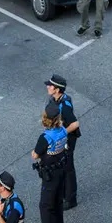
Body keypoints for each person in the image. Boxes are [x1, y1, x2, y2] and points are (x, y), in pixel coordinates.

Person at [31, 102, 68, 223]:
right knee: (57, 201)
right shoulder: (64, 131)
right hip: (61, 170)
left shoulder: (46, 137)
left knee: (45, 206)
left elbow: (35, 155)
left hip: (50, 175)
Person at [45, 75, 80, 210]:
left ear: (58, 89)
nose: (48, 87)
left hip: (67, 139)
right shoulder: (54, 99)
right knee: (61, 166)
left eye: (51, 85)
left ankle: (71, 199)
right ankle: (64, 193)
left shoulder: (64, 105)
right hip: (60, 137)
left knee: (68, 168)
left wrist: (61, 134)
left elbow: (75, 124)